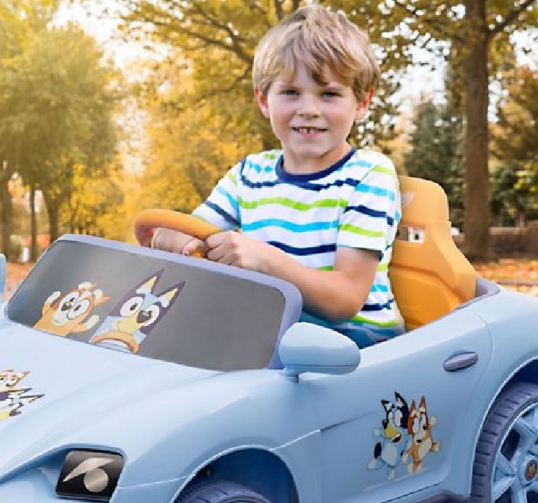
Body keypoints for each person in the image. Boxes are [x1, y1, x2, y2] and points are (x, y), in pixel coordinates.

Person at [143, 6, 405, 348]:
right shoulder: (249, 174)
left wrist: (265, 260)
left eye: (329, 94)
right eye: (291, 93)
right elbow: (193, 228)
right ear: (264, 100)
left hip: (356, 342)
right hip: (271, 328)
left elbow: (345, 299)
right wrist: (174, 238)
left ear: (361, 102)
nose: (308, 109)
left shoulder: (369, 175)